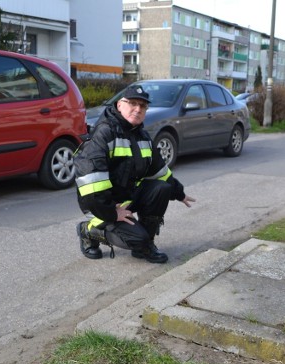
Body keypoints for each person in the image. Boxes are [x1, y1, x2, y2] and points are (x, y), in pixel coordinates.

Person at [74, 85, 195, 263]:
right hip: (101, 204)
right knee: (137, 238)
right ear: (120, 105)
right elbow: (92, 187)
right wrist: (113, 213)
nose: (137, 109)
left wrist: (179, 192)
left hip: (127, 198)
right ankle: (88, 230)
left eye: (142, 106)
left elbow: (160, 172)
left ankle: (145, 247)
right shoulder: (104, 134)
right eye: (132, 103)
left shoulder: (143, 137)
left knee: (162, 188)